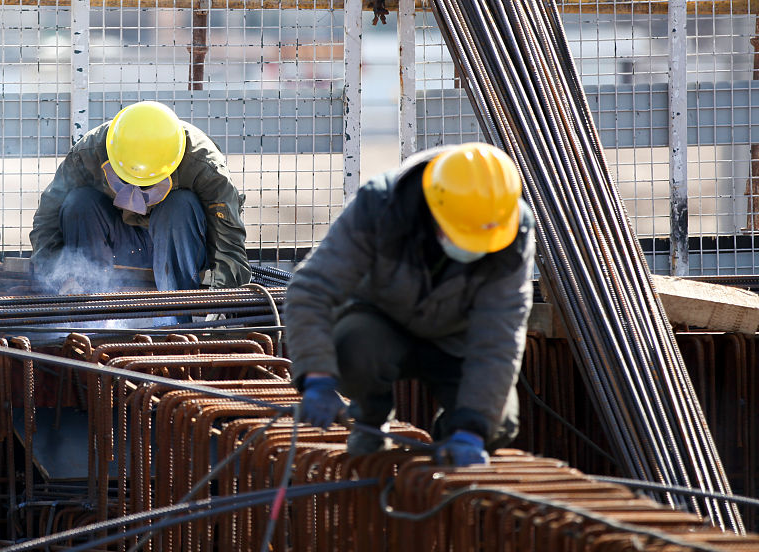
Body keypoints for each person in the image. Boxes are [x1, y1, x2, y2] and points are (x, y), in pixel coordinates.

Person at [283, 142, 535, 466]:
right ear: (435, 208)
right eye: (462, 234)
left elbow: (500, 335)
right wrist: (316, 377)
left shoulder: (509, 230)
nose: (471, 247)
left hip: (456, 340)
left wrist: (470, 430)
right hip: (382, 324)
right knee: (353, 350)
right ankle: (371, 419)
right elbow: (311, 289)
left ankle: (448, 440)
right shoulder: (381, 205)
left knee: (496, 424)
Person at [29, 101, 250, 310]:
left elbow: (228, 241)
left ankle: (175, 314)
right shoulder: (89, 152)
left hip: (179, 244)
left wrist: (221, 302)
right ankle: (90, 306)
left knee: (180, 205)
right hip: (120, 243)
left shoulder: (204, 164)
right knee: (79, 202)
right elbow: (48, 217)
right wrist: (57, 277)